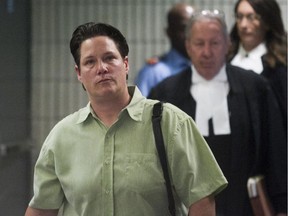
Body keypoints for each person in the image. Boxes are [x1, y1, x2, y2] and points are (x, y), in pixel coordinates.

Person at [25, 22, 228, 216]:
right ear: (79, 73)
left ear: (126, 63)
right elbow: (42, 208)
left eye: (109, 58)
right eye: (90, 62)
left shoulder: (170, 123)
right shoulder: (62, 136)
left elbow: (202, 200)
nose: (101, 68)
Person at [148, 10, 287, 216]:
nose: (207, 52)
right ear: (188, 46)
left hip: (245, 206)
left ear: (228, 44)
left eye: (214, 43)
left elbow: (276, 153)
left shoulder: (255, 88)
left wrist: (283, 206)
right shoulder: (165, 93)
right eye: (199, 43)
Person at [227, 0, 287, 130]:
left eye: (252, 17)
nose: (243, 25)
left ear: (267, 22)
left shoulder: (280, 66)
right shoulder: (224, 59)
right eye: (239, 16)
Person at [134, 2, 195, 97]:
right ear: (169, 32)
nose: (190, 34)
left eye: (194, 28)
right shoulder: (154, 73)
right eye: (184, 28)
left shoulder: (204, 69)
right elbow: (139, 110)